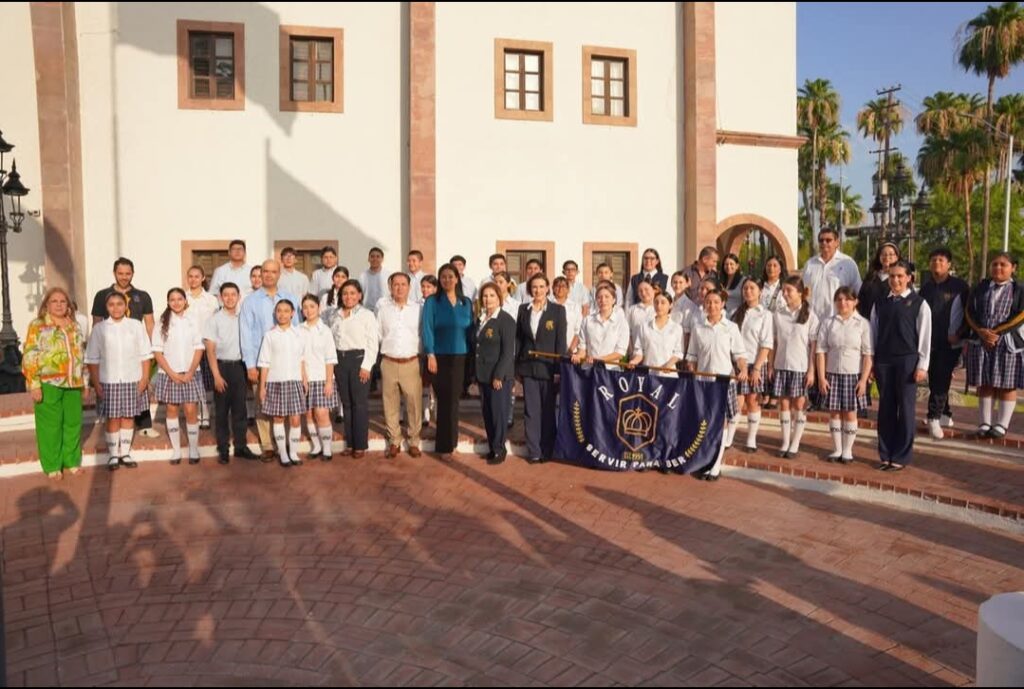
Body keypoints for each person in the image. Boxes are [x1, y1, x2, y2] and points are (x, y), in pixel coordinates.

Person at [870, 260, 931, 471]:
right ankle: (885, 453)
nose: (895, 280)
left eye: (900, 276)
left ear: (909, 278)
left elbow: (925, 337)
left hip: (907, 361)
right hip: (884, 361)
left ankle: (901, 456)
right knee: (886, 408)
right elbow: (873, 334)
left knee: (905, 409)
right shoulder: (880, 303)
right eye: (892, 276)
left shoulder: (919, 303)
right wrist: (871, 362)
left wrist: (922, 366)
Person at [22, 287, 86, 480]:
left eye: (62, 301)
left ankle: (71, 461)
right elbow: (30, 354)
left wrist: (84, 382)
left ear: (68, 305)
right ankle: (52, 465)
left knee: (73, 424)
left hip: (73, 382)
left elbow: (80, 354)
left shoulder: (74, 326)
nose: (59, 305)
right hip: (48, 382)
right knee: (50, 426)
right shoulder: (38, 325)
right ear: (46, 305)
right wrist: (34, 383)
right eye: (54, 301)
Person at [90, 257, 158, 437]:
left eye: (128, 273)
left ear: (133, 274)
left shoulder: (143, 296)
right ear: (114, 273)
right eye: (120, 273)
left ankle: (144, 425)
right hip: (111, 350)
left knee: (141, 385)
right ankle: (111, 427)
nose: (124, 277)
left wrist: (154, 349)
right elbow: (96, 322)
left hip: (137, 348)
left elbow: (150, 324)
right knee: (111, 388)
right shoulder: (101, 295)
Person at [959, 252, 1023, 440]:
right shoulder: (980, 287)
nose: (998, 268)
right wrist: (981, 331)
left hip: (1008, 342)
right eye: (994, 264)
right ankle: (984, 422)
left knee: (1007, 384)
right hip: (981, 341)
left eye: (1003, 265)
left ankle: (1002, 424)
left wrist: (996, 332)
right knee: (984, 382)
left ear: (1013, 268)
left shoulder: (1019, 289)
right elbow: (969, 311)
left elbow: (1021, 315)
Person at [685, 289, 747, 481]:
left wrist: (743, 369)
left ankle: (716, 464)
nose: (712, 305)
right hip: (704, 382)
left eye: (716, 302)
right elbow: (692, 357)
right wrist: (693, 371)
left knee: (721, 423)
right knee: (705, 423)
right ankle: (705, 462)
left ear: (722, 304)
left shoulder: (731, 327)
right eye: (708, 302)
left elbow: (739, 355)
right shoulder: (698, 328)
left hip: (724, 381)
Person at [86, 292, 152, 471]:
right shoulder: (100, 329)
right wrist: (96, 383)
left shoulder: (135, 325)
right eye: (111, 304)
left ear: (126, 306)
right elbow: (92, 359)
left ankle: (125, 453)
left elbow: (145, 354)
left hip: (132, 378)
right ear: (106, 307)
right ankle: (114, 454)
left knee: (128, 417)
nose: (116, 308)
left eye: (119, 304)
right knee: (113, 418)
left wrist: (145, 378)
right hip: (109, 380)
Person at [240, 260, 299, 461]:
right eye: (265, 271)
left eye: (273, 271)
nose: (269, 275)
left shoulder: (290, 298)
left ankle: (286, 443)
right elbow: (245, 334)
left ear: (279, 274)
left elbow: (297, 331)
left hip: (288, 363)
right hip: (261, 362)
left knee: (288, 404)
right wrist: (250, 365)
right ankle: (267, 445)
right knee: (263, 404)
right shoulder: (250, 301)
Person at [422, 264, 474, 460]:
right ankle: (444, 446)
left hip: (461, 357)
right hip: (440, 357)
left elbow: (470, 330)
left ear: (457, 279)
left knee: (454, 401)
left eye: (450, 276)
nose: (447, 280)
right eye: (443, 277)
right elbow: (427, 328)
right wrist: (430, 354)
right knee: (444, 401)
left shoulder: (465, 302)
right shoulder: (432, 302)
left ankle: (453, 442)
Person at [816, 287, 872, 463]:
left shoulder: (862, 324)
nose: (843, 303)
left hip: (853, 375)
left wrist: (863, 380)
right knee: (834, 413)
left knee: (850, 413)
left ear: (855, 302)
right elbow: (821, 351)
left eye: (847, 299)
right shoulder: (828, 323)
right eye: (839, 299)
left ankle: (847, 450)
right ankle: (837, 449)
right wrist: (822, 377)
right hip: (832, 374)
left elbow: (868, 355)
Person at [203, 282, 258, 464]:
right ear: (220, 297)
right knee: (221, 411)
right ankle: (223, 448)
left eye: (233, 294)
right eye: (225, 295)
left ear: (238, 296)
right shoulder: (214, 320)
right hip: (222, 367)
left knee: (240, 409)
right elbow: (210, 351)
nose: (229, 298)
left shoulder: (244, 318)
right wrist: (216, 376)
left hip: (240, 367)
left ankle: (240, 446)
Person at [151, 288, 205, 465]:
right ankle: (176, 450)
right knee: (172, 410)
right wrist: (172, 374)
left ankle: (193, 449)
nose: (176, 302)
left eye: (179, 299)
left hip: (191, 373)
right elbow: (157, 351)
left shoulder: (193, 320)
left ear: (185, 301)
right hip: (169, 373)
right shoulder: (162, 322)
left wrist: (190, 372)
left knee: (190, 410)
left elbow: (199, 347)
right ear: (168, 302)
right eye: (172, 299)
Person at [516, 274, 566, 463]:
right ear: (530, 289)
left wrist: (558, 370)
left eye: (541, 286)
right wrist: (517, 367)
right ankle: (534, 451)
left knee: (548, 410)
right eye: (534, 287)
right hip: (528, 367)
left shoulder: (558, 311)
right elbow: (519, 340)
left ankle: (547, 449)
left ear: (547, 288)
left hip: (549, 368)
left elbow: (560, 343)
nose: (537, 290)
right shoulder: (523, 309)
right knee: (531, 410)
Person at [920, 247, 969, 439]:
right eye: (933, 260)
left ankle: (933, 417)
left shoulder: (960, 287)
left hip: (950, 342)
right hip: (929, 341)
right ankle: (945, 414)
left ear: (949, 264)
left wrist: (959, 333)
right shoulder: (926, 287)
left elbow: (969, 314)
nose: (937, 263)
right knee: (935, 378)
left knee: (941, 377)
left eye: (941, 260)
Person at [772, 275, 818, 459]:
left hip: (800, 366)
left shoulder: (810, 315)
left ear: (800, 293)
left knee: (799, 404)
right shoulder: (778, 314)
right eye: (783, 290)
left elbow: (813, 346)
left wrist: (812, 370)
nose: (785, 293)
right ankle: (785, 441)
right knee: (783, 404)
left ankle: (795, 442)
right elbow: (775, 342)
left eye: (789, 290)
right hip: (781, 364)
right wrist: (771, 366)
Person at [378, 273, 424, 458]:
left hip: (410, 362)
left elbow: (422, 333)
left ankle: (414, 441)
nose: (399, 288)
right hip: (389, 362)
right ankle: (394, 440)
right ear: (390, 287)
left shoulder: (418, 309)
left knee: (413, 404)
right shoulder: (383, 310)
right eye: (395, 284)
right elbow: (379, 334)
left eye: (403, 284)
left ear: (409, 287)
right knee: (390, 404)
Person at [330, 279, 378, 458]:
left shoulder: (367, 315)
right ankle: (350, 443)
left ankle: (360, 444)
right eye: (345, 293)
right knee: (347, 404)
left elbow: (372, 343)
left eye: (352, 293)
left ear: (359, 295)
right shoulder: (334, 315)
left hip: (359, 360)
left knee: (359, 403)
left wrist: (367, 366)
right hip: (340, 361)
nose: (348, 297)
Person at [258, 300, 308, 467]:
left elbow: (301, 359)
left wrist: (304, 378)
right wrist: (262, 387)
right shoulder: (270, 335)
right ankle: (283, 453)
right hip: (275, 382)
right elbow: (264, 363)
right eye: (279, 311)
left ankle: (293, 452)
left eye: (286, 311)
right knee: (278, 418)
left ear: (292, 313)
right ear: (275, 313)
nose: (282, 314)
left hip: (294, 381)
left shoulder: (299, 334)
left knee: (295, 420)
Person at [474, 283, 516, 464]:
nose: (488, 299)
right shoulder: (481, 318)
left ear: (499, 298)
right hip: (483, 374)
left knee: (498, 414)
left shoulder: (505, 320)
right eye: (485, 296)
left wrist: (499, 375)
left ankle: (499, 449)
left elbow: (507, 352)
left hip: (498, 377)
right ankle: (492, 447)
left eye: (492, 295)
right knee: (488, 413)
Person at [732, 278, 773, 453]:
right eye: (745, 288)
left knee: (752, 401)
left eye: (752, 288)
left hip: (756, 363)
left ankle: (751, 439)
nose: (748, 291)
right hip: (738, 363)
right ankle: (729, 438)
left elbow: (766, 343)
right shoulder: (736, 312)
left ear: (760, 291)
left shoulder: (765, 314)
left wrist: (756, 368)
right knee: (737, 402)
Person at [299, 295, 338, 461]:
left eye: (312, 306)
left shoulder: (325, 331)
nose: (309, 310)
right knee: (308, 415)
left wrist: (329, 382)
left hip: (323, 378)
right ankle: (316, 446)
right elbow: (299, 357)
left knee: (321, 414)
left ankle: (327, 449)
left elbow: (330, 358)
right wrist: (303, 378)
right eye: (305, 307)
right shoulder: (298, 330)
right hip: (305, 379)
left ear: (318, 308)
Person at [184, 265, 219, 430]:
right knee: (194, 381)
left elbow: (216, 322)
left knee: (208, 382)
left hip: (207, 345)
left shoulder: (211, 299)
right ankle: (198, 415)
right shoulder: (183, 298)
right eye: (190, 276)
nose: (193, 279)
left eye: (197, 276)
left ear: (203, 278)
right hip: (189, 347)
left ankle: (206, 415)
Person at [802, 228, 862, 322]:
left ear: (837, 242)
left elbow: (858, 292)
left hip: (839, 321)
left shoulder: (848, 263)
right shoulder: (810, 264)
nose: (824, 243)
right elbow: (803, 292)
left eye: (828, 240)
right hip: (813, 322)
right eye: (821, 240)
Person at [574, 283, 630, 370]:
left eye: (607, 297)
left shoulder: (622, 323)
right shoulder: (587, 320)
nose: (603, 300)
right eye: (599, 297)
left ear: (614, 300)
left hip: (610, 371)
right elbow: (582, 348)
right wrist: (578, 356)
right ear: (596, 300)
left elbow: (620, 353)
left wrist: (599, 359)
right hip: (589, 369)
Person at [630, 291, 684, 377]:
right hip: (649, 375)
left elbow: (678, 353)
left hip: (669, 375)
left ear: (671, 305)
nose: (659, 306)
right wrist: (634, 361)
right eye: (656, 302)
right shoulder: (644, 326)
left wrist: (668, 364)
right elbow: (639, 350)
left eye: (663, 303)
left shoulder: (677, 328)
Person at [857, 242, 901, 320]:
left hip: (891, 321)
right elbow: (861, 300)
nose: (887, 257)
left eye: (891, 254)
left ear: (897, 257)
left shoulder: (902, 278)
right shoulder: (871, 277)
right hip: (868, 321)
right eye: (884, 254)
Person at [551, 277, 583, 354]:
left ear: (568, 289)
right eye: (557, 286)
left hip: (570, 350)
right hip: (550, 350)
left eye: (563, 286)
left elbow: (578, 330)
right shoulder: (548, 305)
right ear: (553, 288)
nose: (560, 289)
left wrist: (571, 349)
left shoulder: (575, 306)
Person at [626, 280, 657, 354]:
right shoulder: (632, 310)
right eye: (640, 291)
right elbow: (627, 332)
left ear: (654, 290)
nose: (643, 293)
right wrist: (631, 352)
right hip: (636, 352)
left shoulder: (660, 309)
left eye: (646, 289)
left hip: (655, 353)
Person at [360, 247, 390, 315]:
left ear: (382, 259)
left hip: (384, 310)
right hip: (367, 311)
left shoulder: (388, 275)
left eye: (378, 256)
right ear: (368, 259)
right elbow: (360, 294)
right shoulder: (363, 276)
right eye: (372, 256)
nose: (375, 259)